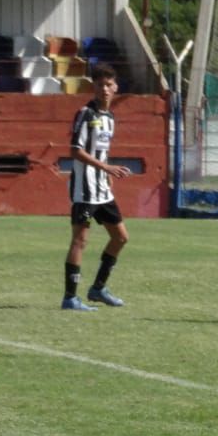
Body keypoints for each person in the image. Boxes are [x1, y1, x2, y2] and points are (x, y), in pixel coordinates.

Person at [61, 63, 130, 311]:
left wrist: (107, 171)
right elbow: (75, 151)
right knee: (80, 240)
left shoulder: (110, 117)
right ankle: (70, 298)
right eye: (100, 85)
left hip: (102, 190)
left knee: (120, 237)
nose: (105, 89)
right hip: (84, 190)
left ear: (116, 87)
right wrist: (105, 167)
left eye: (109, 84)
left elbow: (100, 150)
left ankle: (98, 288)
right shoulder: (86, 114)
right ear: (94, 87)